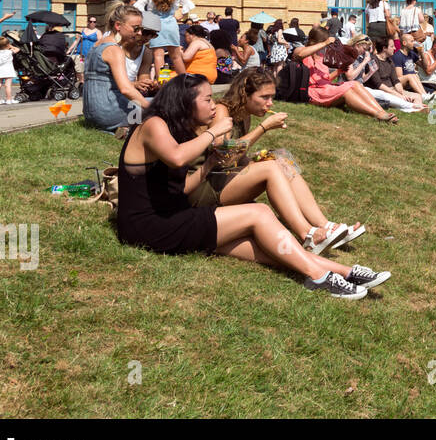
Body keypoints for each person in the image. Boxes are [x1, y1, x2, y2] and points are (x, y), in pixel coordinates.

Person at [116, 74, 386, 299]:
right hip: (149, 226)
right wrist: (214, 131)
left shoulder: (178, 129)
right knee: (259, 213)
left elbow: (184, 188)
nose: (213, 106)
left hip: (173, 217)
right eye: (207, 99)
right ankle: (318, 277)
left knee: (265, 246)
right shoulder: (153, 125)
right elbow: (176, 157)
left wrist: (210, 162)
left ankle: (344, 271)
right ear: (185, 101)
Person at [203, 68, 375, 256]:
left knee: (280, 158)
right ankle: (307, 234)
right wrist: (263, 128)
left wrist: (257, 158)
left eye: (272, 97)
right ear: (245, 94)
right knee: (270, 168)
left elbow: (238, 159)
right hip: (210, 187)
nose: (270, 104)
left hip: (226, 180)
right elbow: (223, 156)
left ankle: (324, 225)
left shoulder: (245, 115)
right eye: (265, 97)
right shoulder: (222, 111)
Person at [295, 27, 398, 122]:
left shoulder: (321, 56)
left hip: (326, 88)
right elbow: (299, 54)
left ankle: (382, 112)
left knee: (355, 84)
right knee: (346, 91)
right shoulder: (301, 51)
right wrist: (325, 43)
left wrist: (339, 71)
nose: (327, 46)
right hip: (313, 92)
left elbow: (326, 79)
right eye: (325, 42)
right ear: (318, 41)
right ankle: (377, 115)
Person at [82, 5, 158, 133]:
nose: (139, 33)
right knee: (163, 104)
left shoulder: (97, 45)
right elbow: (125, 89)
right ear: (118, 26)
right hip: (108, 112)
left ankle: (124, 128)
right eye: (136, 28)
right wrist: (153, 109)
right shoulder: (114, 50)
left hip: (90, 114)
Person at [135, 0, 194, 76]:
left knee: (158, 55)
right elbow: (190, 4)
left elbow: (136, 6)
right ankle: (183, 81)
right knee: (176, 55)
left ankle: (163, 82)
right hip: (171, 24)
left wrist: (147, 16)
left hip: (154, 25)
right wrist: (181, 12)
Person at [68, 15, 100, 84]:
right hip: (81, 54)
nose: (92, 23)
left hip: (91, 55)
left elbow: (100, 43)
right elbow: (76, 41)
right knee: (79, 69)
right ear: (88, 22)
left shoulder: (98, 32)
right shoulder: (83, 30)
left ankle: (87, 84)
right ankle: (82, 83)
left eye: (94, 22)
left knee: (89, 70)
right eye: (91, 21)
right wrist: (70, 50)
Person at [0, 35, 18, 104]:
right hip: (8, 70)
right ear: (7, 45)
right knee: (8, 85)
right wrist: (11, 46)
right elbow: (18, 50)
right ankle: (9, 99)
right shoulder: (9, 52)